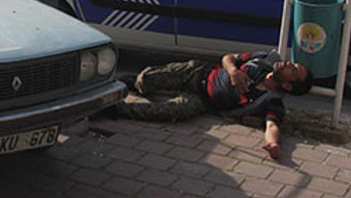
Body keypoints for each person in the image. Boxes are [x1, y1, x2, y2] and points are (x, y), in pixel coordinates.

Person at [119, 51, 313, 160]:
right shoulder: (264, 59)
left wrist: (273, 144)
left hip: (204, 102)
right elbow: (228, 58)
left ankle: (116, 109)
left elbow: (272, 125)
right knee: (145, 80)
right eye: (293, 64)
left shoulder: (271, 100)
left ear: (287, 85)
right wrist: (233, 71)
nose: (289, 64)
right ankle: (127, 85)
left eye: (293, 70)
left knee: (170, 111)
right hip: (199, 73)